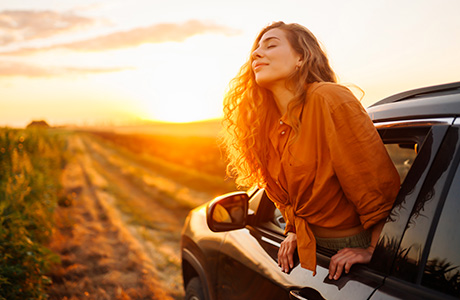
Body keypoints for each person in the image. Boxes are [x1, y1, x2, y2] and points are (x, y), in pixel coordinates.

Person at [221, 21, 400, 280]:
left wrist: (375, 248)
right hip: (311, 252)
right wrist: (294, 230)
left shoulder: (328, 98)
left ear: (301, 58)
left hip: (349, 250)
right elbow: (292, 197)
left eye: (271, 45)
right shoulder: (266, 127)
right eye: (256, 49)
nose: (256, 54)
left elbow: (372, 181)